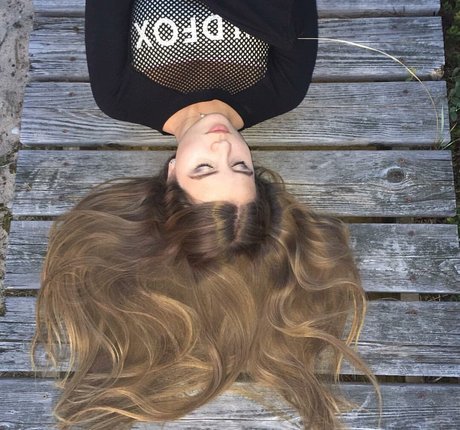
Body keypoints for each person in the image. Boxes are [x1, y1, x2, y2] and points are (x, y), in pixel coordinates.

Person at [32, 1, 379, 429]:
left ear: (171, 175)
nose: (223, 145)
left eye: (204, 169)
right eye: (241, 167)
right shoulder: (281, 90)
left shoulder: (121, 94)